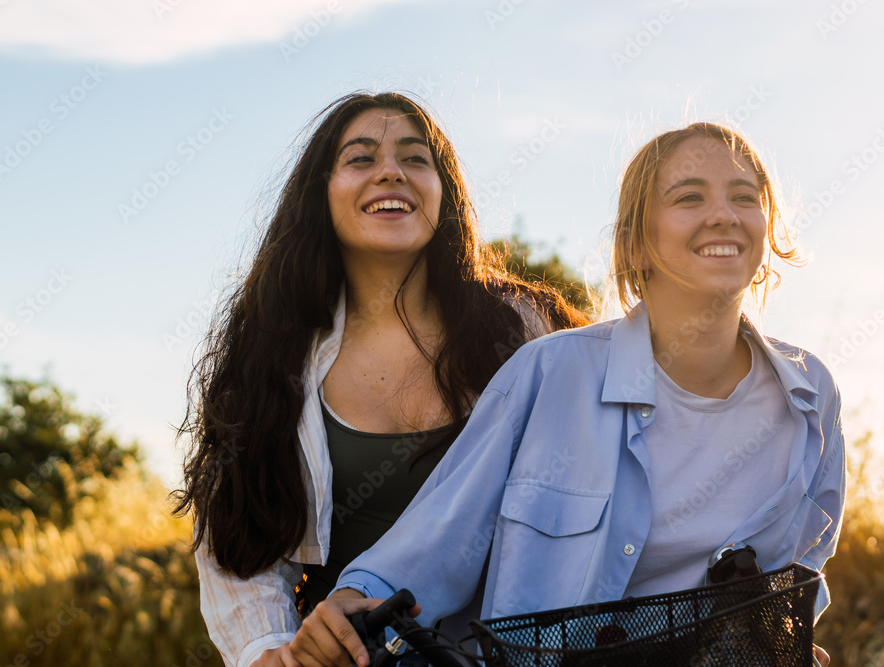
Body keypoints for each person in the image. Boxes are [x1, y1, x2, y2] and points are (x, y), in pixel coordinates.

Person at [289, 122, 846, 667]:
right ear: (635, 241)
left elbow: (802, 575)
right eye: (689, 197)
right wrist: (351, 600)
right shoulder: (549, 373)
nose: (723, 215)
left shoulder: (810, 398)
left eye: (743, 197)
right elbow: (442, 533)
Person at [172, 92, 589, 667]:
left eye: (416, 159)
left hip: (512, 651)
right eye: (361, 159)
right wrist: (268, 650)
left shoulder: (522, 330)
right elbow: (238, 535)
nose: (390, 171)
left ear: (444, 194)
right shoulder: (276, 352)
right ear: (323, 193)